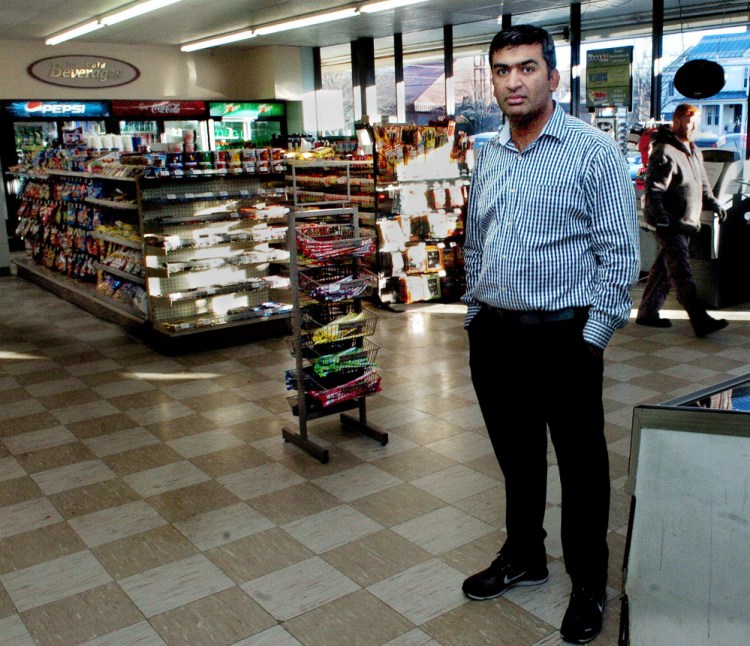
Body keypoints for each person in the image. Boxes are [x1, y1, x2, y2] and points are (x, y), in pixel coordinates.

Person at [461, 25, 640, 644]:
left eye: (528, 68)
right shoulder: (485, 152)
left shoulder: (594, 153)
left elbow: (619, 258)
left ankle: (589, 584)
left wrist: (589, 341)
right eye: (503, 69)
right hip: (495, 336)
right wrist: (473, 314)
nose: (514, 80)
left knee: (583, 469)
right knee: (516, 460)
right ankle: (525, 557)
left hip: (564, 336)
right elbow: (476, 240)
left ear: (553, 78)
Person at [635, 103, 728, 337]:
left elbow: (703, 185)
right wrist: (662, 219)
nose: (693, 126)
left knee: (662, 271)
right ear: (676, 121)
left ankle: (647, 312)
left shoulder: (694, 150)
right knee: (681, 272)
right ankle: (699, 319)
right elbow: (654, 190)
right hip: (671, 224)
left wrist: (714, 203)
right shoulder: (664, 150)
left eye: (696, 121)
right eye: (688, 121)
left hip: (687, 222)